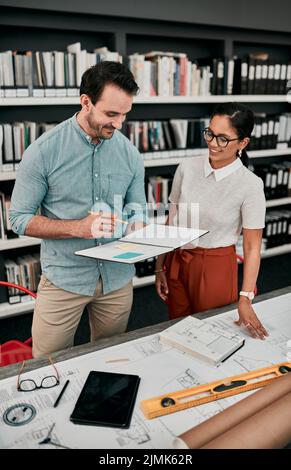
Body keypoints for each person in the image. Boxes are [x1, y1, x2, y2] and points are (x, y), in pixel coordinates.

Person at [9, 61, 147, 358]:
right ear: (86, 102)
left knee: (111, 360)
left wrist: (142, 229)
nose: (119, 123)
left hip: (117, 279)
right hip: (64, 280)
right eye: (111, 114)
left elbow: (137, 210)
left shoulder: (131, 155)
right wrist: (78, 227)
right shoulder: (43, 152)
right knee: (48, 365)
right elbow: (18, 219)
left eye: (125, 114)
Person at [155, 102, 268, 340]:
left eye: (223, 139)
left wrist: (246, 296)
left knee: (212, 336)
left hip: (214, 266)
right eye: (210, 134)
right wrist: (160, 266)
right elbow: (171, 219)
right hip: (177, 260)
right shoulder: (187, 166)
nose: (213, 144)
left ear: (243, 143)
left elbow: (252, 246)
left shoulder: (250, 185)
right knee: (178, 332)